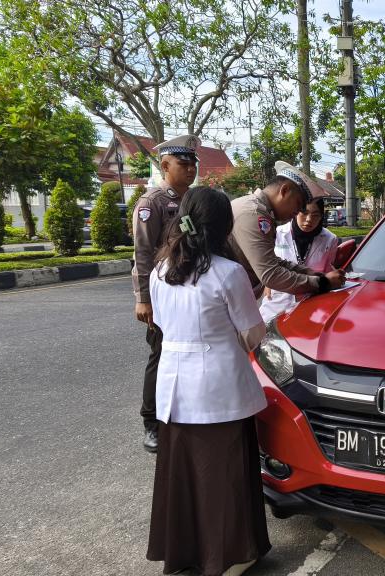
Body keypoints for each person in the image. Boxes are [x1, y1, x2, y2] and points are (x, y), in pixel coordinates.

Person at [146, 186, 269, 576]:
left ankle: (185, 553)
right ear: (222, 226)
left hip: (174, 389)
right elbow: (253, 335)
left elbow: (163, 326)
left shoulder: (160, 271)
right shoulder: (229, 273)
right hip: (220, 389)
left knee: (182, 477)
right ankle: (228, 555)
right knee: (225, 477)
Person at [131, 135, 201, 453]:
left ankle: (178, 418)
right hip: (162, 297)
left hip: (189, 293)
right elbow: (143, 254)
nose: (190, 170)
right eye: (183, 164)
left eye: (192, 164)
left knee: (184, 356)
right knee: (160, 356)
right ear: (165, 165)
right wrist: (143, 298)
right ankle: (152, 424)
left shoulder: (190, 201)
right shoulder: (152, 204)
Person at [229, 161, 345, 303]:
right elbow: (271, 275)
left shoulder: (257, 209)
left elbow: (270, 259)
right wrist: (323, 283)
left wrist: (310, 273)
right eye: (299, 204)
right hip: (223, 304)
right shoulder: (255, 215)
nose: (298, 212)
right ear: (284, 191)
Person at [259, 197, 340, 320]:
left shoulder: (330, 239)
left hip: (313, 305)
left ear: (321, 216)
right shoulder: (277, 233)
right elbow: (266, 264)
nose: (309, 220)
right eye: (305, 213)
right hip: (277, 302)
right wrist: (267, 282)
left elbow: (328, 270)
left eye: (315, 215)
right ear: (296, 212)